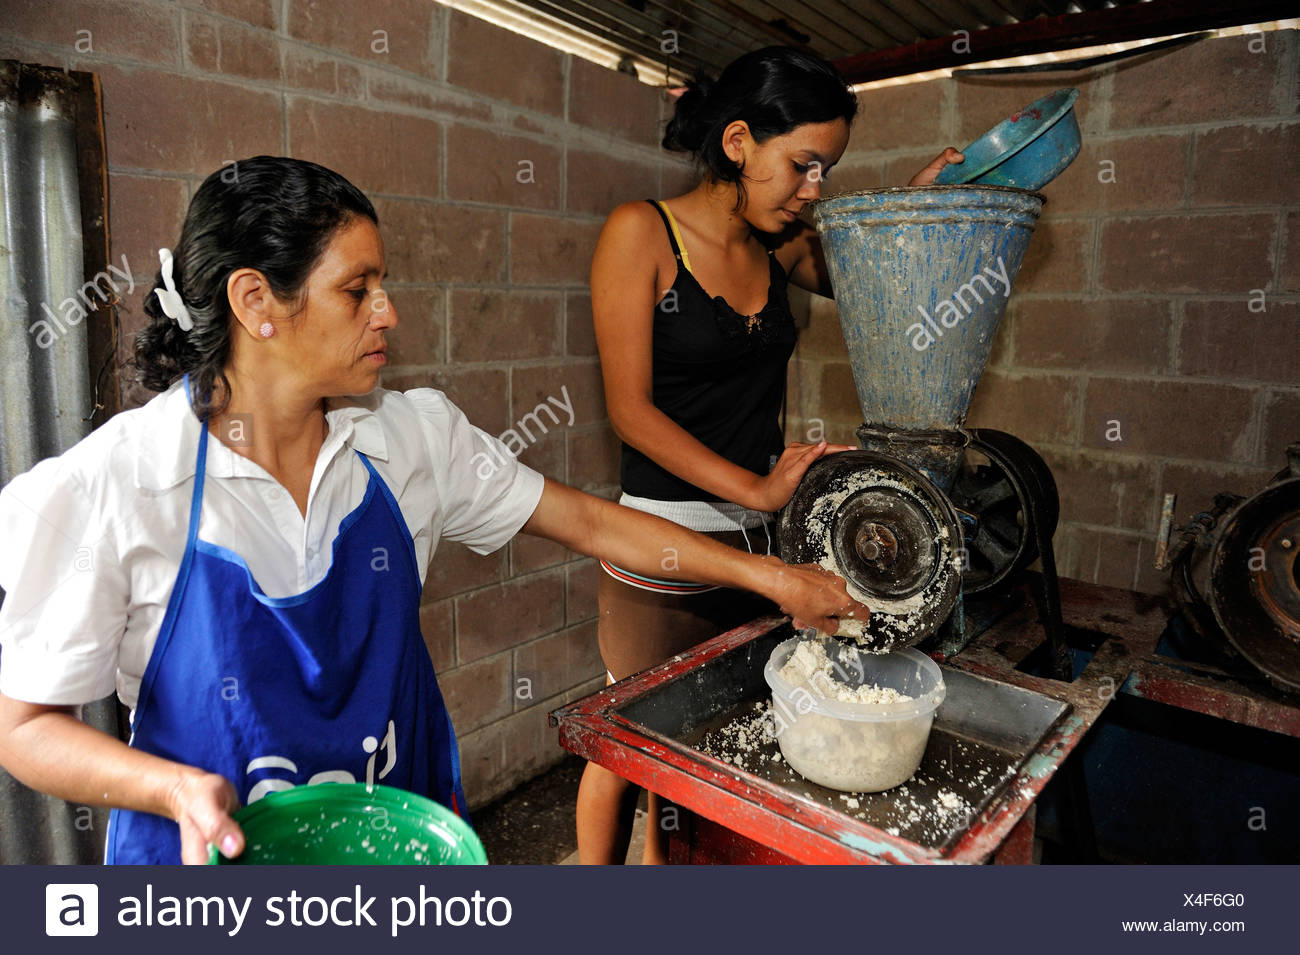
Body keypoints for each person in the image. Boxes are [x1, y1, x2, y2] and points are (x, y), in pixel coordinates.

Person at [0, 156, 870, 865]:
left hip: (401, 847)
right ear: (255, 302)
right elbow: (25, 727)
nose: (390, 313)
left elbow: (595, 523)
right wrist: (170, 788)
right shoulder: (115, 486)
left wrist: (775, 577)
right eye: (358, 290)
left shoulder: (408, 440)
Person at [582, 47, 963, 864]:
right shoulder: (639, 233)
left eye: (825, 172)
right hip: (663, 546)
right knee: (629, 745)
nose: (813, 191)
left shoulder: (780, 248)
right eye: (803, 165)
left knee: (702, 755)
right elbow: (631, 412)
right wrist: (754, 489)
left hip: (760, 547)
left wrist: (918, 201)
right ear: (737, 142)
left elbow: (874, 267)